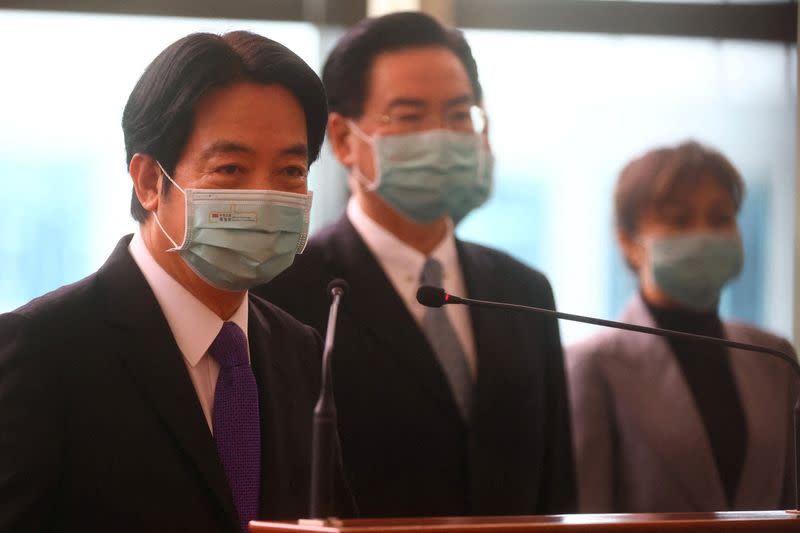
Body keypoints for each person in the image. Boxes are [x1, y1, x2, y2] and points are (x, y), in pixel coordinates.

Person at [0, 31, 352, 532]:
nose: (264, 196)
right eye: (230, 168)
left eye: (291, 171)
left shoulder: (300, 351)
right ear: (148, 181)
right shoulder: (42, 349)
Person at [254, 11, 576, 517]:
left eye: (458, 115)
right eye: (409, 117)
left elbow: (558, 485)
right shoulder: (284, 291)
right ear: (342, 140)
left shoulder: (524, 291)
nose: (441, 137)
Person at [567, 140, 797, 513]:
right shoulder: (592, 364)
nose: (704, 234)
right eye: (679, 220)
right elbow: (590, 512)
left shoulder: (773, 357)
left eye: (720, 218)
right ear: (628, 242)